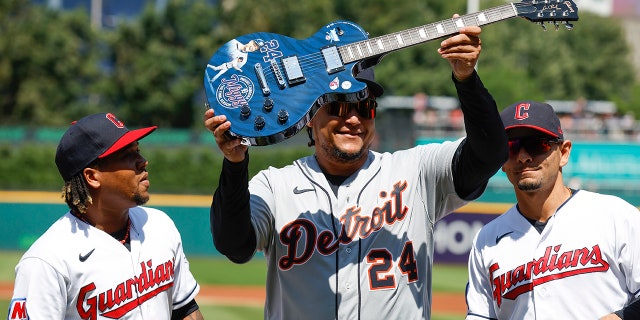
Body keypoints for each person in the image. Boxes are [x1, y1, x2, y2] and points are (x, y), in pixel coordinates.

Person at [204, 23, 508, 319]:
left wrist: (466, 79)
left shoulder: (416, 172)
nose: (353, 119)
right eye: (338, 106)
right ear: (309, 115)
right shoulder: (275, 186)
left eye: (365, 108)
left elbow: (490, 153)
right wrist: (234, 164)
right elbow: (234, 245)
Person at [8, 113, 204, 320]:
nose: (143, 162)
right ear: (92, 176)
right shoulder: (47, 261)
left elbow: (185, 309)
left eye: (138, 151)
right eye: (127, 155)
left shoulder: (159, 225)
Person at [465, 101, 640, 320]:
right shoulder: (487, 240)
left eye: (538, 144)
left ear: (564, 152)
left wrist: (622, 317)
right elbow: (480, 315)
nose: (523, 157)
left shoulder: (615, 216)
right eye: (511, 146)